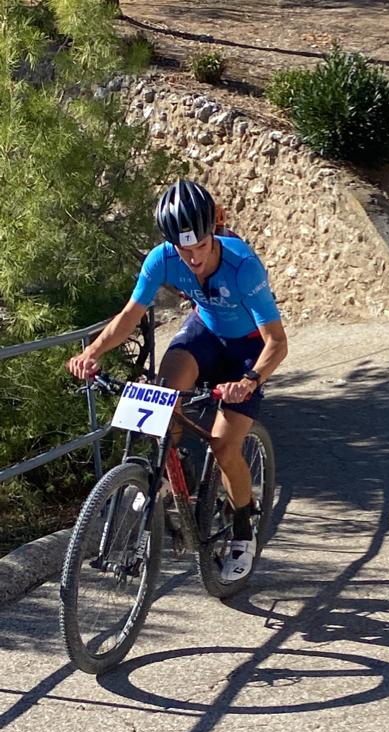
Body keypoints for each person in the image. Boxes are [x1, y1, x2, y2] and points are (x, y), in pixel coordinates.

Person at [68, 178, 288, 582]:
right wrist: (92, 353)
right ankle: (165, 474)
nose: (193, 259)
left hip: (246, 350)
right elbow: (130, 315)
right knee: (160, 396)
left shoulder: (243, 266)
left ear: (214, 233)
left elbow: (277, 340)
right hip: (204, 334)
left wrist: (251, 379)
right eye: (183, 251)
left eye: (201, 247)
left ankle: (243, 525)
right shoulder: (161, 259)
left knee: (224, 448)